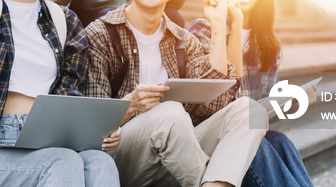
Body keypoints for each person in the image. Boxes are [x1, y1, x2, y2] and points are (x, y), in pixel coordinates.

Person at [0, 0, 122, 186]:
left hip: (48, 138)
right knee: (63, 161)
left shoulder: (64, 20)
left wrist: (96, 131)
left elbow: (70, 95)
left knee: (101, 163)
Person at [83, 0, 268, 186]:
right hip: (121, 158)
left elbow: (215, 104)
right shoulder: (100, 33)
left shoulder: (184, 41)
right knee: (169, 113)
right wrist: (130, 105)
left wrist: (218, 23)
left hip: (175, 159)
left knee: (253, 112)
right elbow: (90, 131)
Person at [188, 0, 316, 186]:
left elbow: (263, 109)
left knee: (280, 141)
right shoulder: (205, 28)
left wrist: (294, 99)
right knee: (256, 144)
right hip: (211, 131)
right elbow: (218, 101)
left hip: (247, 129)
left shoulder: (268, 46)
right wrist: (236, 24)